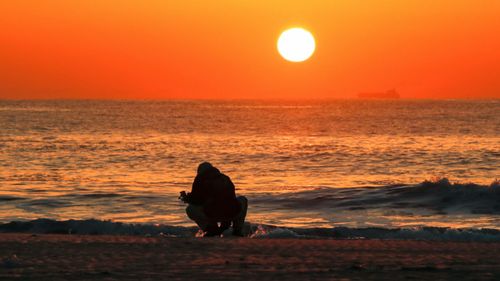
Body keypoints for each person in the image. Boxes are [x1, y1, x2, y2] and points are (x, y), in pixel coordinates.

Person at [180, 162, 248, 237]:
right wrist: (225, 224)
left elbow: (197, 201)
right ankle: (237, 230)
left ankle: (211, 229)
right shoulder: (225, 178)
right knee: (243, 199)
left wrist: (186, 198)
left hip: (213, 214)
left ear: (199, 172)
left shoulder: (200, 178)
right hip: (231, 213)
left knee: (190, 209)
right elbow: (231, 198)